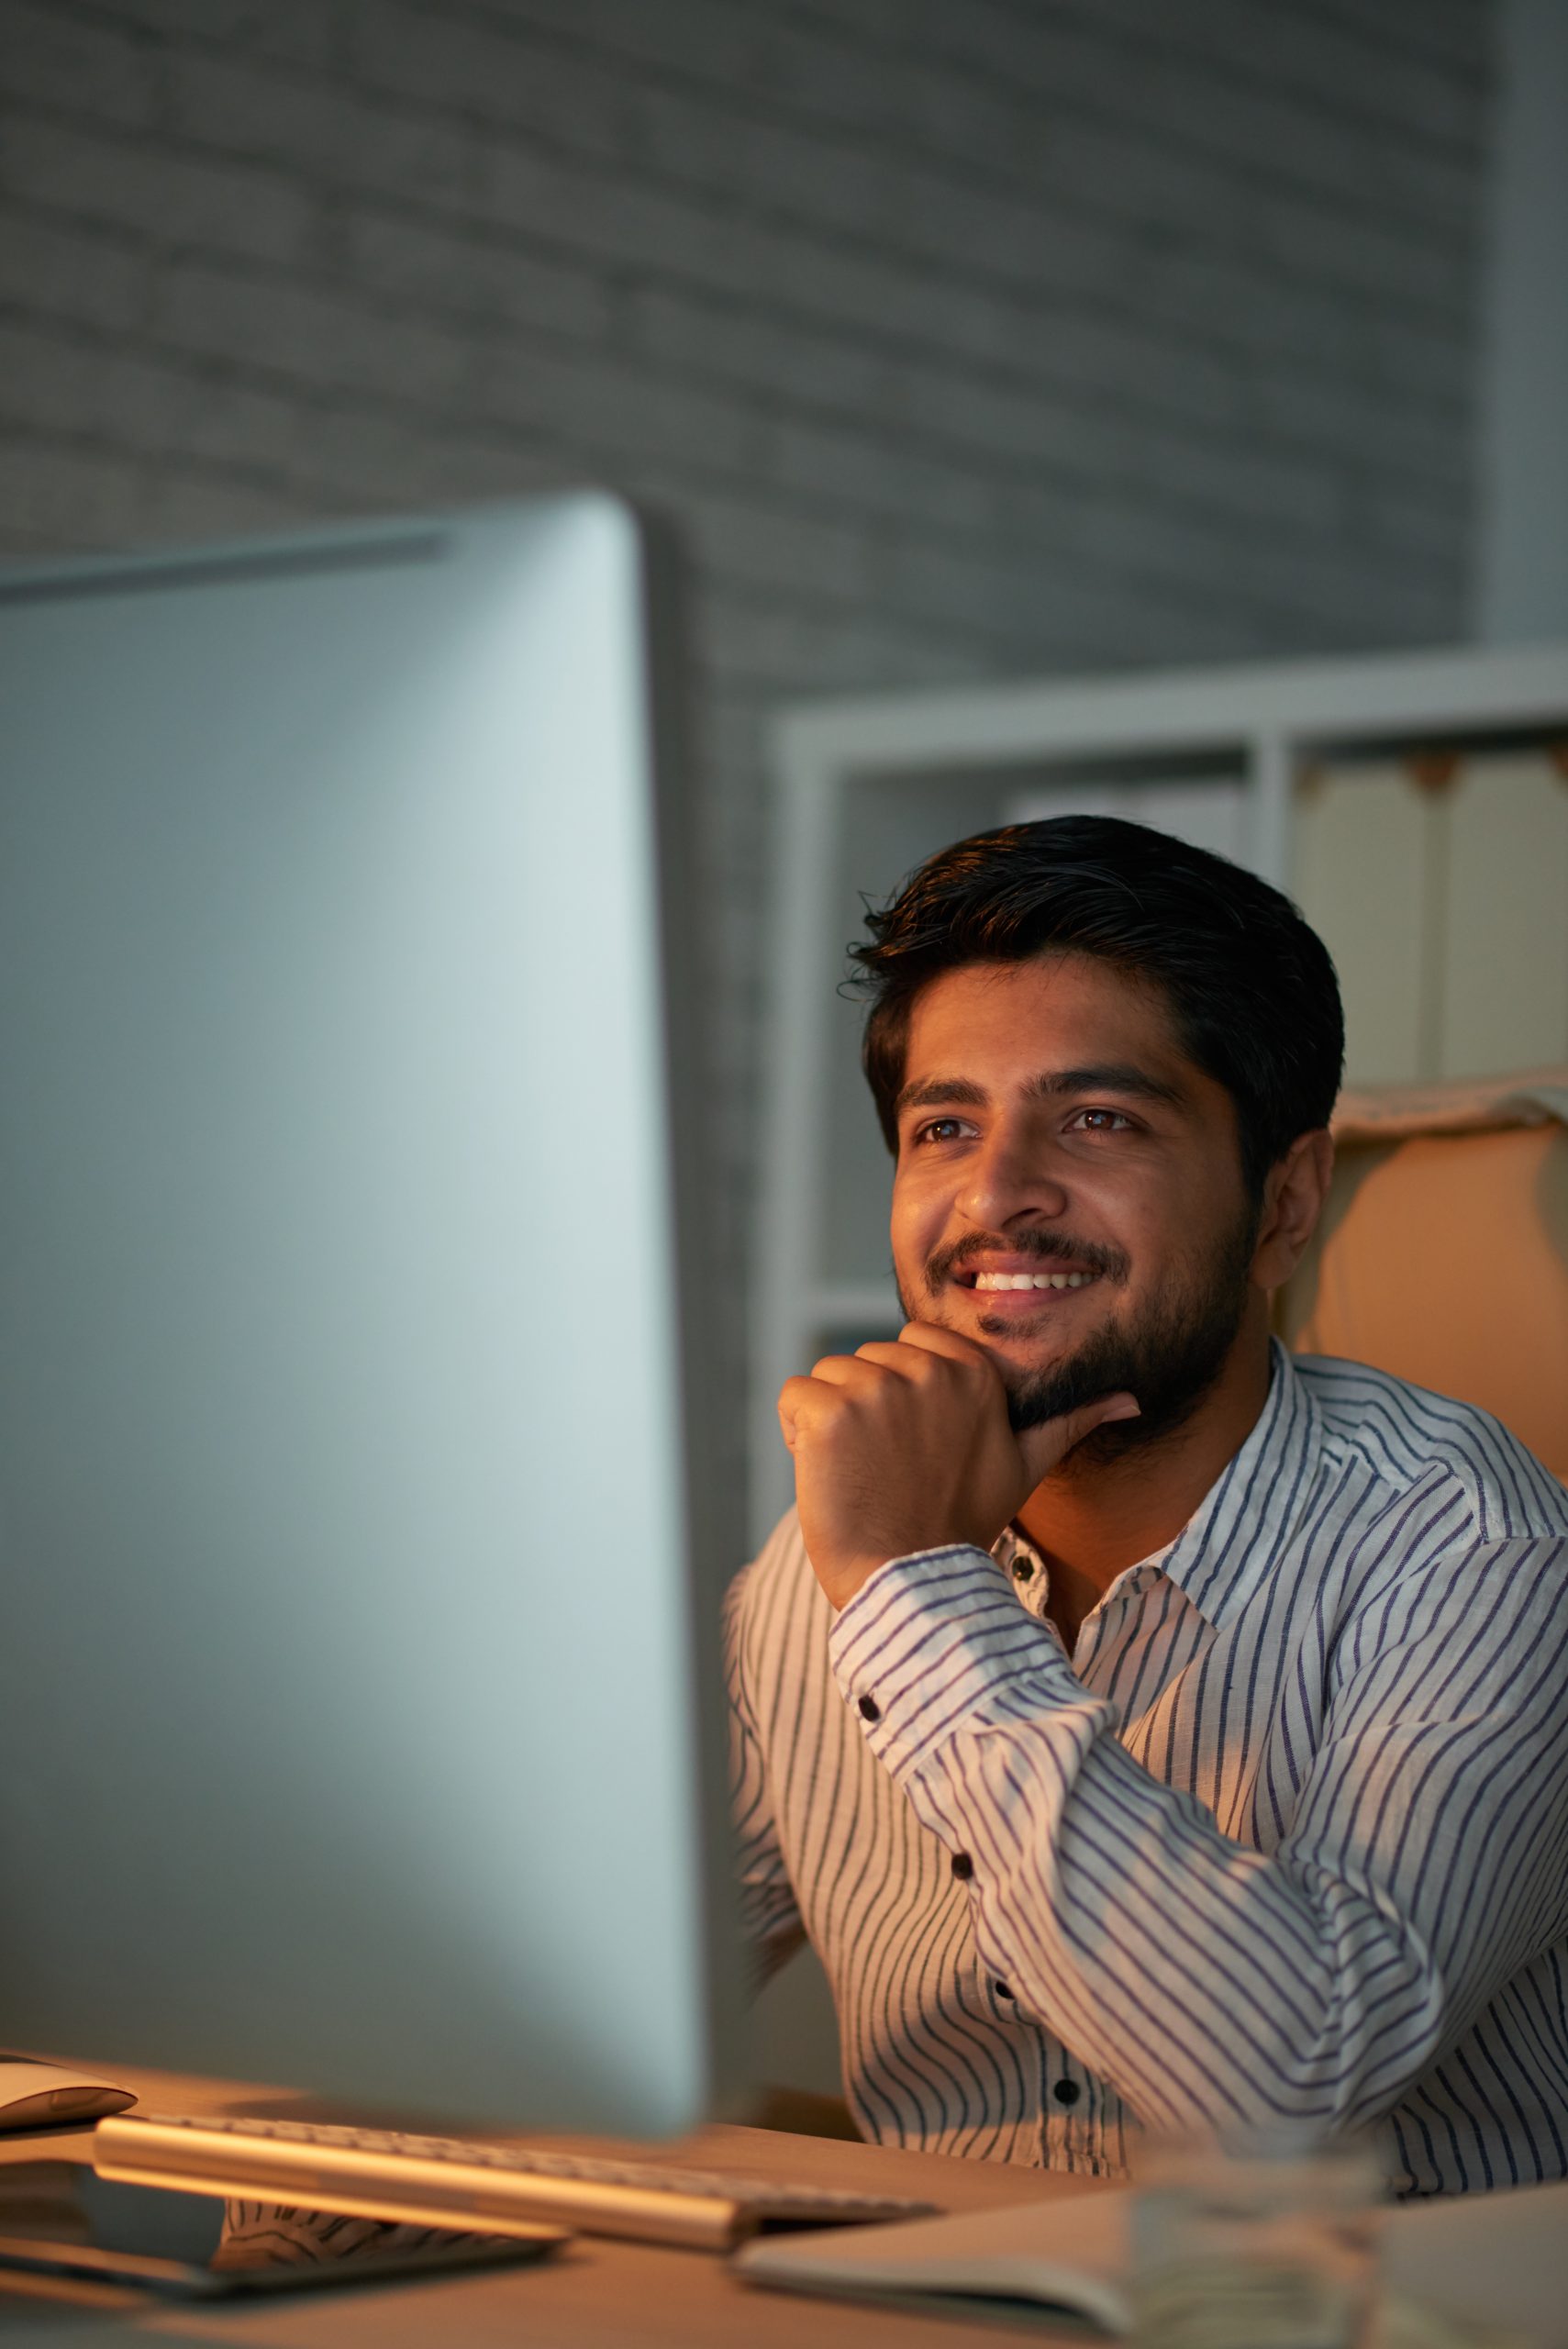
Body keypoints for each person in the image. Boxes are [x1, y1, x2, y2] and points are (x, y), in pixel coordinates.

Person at [726, 816, 1568, 2198]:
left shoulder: (1481, 1548)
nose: (995, 1197)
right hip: (944, 2303)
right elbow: (556, 1983)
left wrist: (910, 1590)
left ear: (1285, 1204)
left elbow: (1288, 2084)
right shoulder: (819, 1563)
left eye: (1097, 1120)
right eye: (945, 1127)